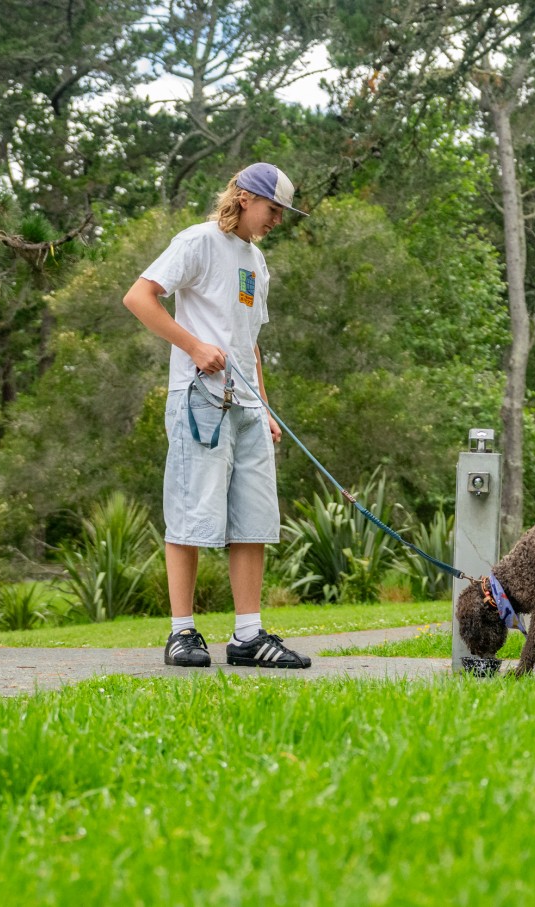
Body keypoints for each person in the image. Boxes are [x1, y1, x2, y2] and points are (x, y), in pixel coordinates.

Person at [122, 162, 311, 669]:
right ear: (246, 198)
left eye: (282, 214)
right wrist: (193, 345)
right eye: (274, 210)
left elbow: (250, 344)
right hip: (200, 399)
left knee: (253, 518)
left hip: (248, 407)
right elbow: (139, 298)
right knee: (190, 512)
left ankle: (248, 636)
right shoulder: (198, 241)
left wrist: (266, 407)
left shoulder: (257, 262)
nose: (277, 220)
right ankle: (181, 632)